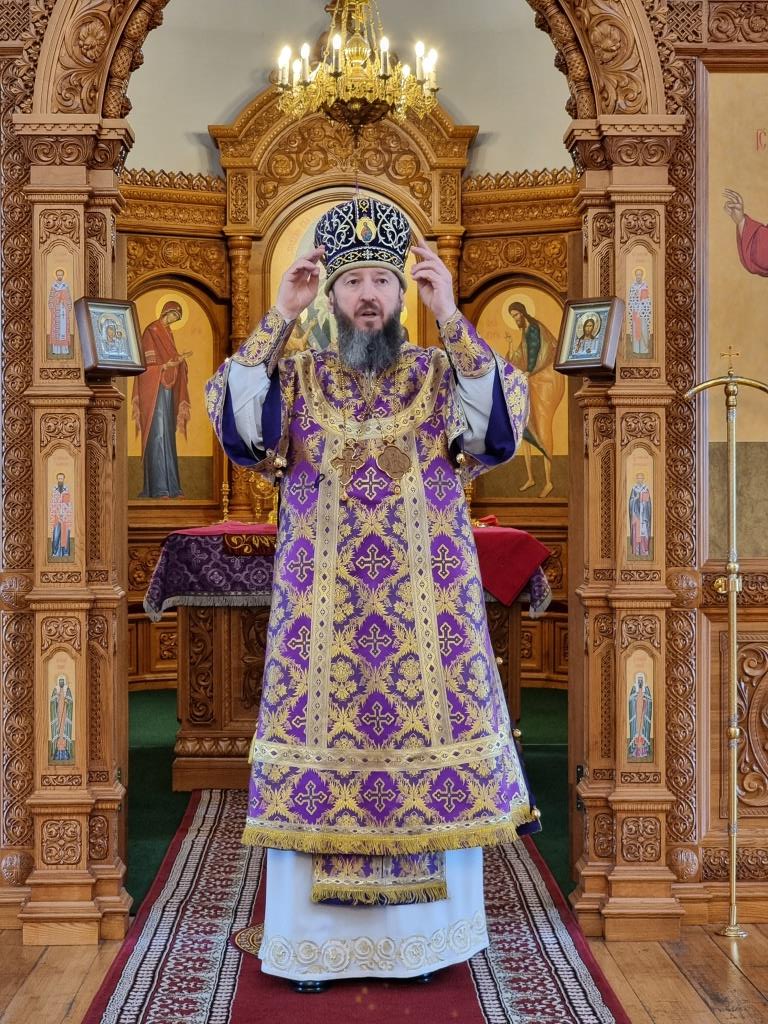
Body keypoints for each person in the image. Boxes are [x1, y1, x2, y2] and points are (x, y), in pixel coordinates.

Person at [205, 195, 539, 992]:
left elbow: (494, 429)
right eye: (351, 281)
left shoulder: (438, 372)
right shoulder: (299, 375)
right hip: (321, 624)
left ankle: (424, 946)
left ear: (402, 292)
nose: (366, 296)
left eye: (381, 282)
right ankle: (311, 947)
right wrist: (279, 316)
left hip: (427, 623)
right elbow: (241, 425)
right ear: (330, 294)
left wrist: (450, 314)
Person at [131, 300, 192, 498]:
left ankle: (171, 487)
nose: (174, 320)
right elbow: (146, 366)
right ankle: (158, 488)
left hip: (166, 390)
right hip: (154, 390)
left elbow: (171, 360)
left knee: (167, 435)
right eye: (174, 315)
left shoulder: (168, 332)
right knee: (157, 433)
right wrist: (165, 366)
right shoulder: (152, 331)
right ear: (167, 312)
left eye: (178, 318)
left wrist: (179, 361)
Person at [507, 301, 564, 497]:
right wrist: (510, 346)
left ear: (523, 313)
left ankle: (548, 481)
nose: (515, 319)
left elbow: (536, 354)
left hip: (543, 382)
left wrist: (529, 371)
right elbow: (520, 356)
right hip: (531, 382)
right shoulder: (526, 331)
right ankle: (531, 478)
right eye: (513, 316)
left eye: (516, 315)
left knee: (542, 428)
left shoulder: (533, 329)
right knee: (526, 427)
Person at [47, 268, 74, 357]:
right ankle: (56, 350)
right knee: (56, 329)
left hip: (63, 310)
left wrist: (67, 304)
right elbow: (51, 297)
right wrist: (55, 301)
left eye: (61, 275)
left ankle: (65, 350)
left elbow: (68, 297)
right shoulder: (53, 286)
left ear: (63, 275)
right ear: (56, 275)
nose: (59, 276)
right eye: (58, 275)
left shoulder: (65, 286)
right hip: (56, 310)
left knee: (63, 329)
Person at [627, 268, 652, 356]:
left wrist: (640, 310)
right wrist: (635, 308)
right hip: (635, 312)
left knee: (643, 330)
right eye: (637, 275)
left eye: (640, 275)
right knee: (636, 330)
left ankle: (644, 349)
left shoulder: (645, 286)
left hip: (643, 312)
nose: (638, 276)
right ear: (635, 276)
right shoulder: (632, 286)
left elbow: (646, 300)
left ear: (642, 276)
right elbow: (631, 299)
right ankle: (636, 349)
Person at [628, 471, 652, 558]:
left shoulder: (645, 489)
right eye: (638, 478)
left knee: (644, 532)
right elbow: (631, 502)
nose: (639, 479)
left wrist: (643, 501)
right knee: (636, 532)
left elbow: (647, 503)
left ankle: (644, 551)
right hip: (636, 514)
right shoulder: (634, 489)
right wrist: (636, 498)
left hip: (644, 515)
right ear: (636, 479)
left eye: (641, 478)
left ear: (643, 479)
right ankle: (636, 551)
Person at [50, 472, 72, 558]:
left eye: (61, 478)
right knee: (56, 535)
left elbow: (67, 503)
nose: (60, 480)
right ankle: (55, 552)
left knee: (65, 535)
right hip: (56, 516)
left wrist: (64, 515)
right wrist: (56, 514)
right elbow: (53, 503)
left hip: (65, 516)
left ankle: (65, 553)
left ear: (63, 479)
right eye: (59, 478)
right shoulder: (54, 490)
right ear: (57, 479)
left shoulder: (66, 490)